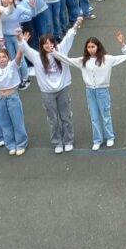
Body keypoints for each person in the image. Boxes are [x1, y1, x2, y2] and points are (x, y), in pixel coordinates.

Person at [53, 35, 126, 151]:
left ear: (98, 47)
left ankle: (110, 137)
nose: (91, 49)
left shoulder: (107, 59)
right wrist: (54, 53)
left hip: (103, 91)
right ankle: (97, 140)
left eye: (93, 47)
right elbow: (67, 60)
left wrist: (123, 44)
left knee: (105, 115)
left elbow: (125, 57)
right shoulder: (83, 61)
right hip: (90, 91)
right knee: (94, 117)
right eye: (89, 47)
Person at [19, 18, 82, 154]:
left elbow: (69, 36)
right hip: (47, 92)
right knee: (53, 119)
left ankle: (68, 141)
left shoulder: (61, 50)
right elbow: (25, 48)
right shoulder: (37, 57)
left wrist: (76, 24)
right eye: (45, 44)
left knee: (66, 116)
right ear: (41, 46)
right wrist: (20, 38)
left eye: (50, 43)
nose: (48, 45)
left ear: (54, 43)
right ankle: (57, 142)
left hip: (63, 89)